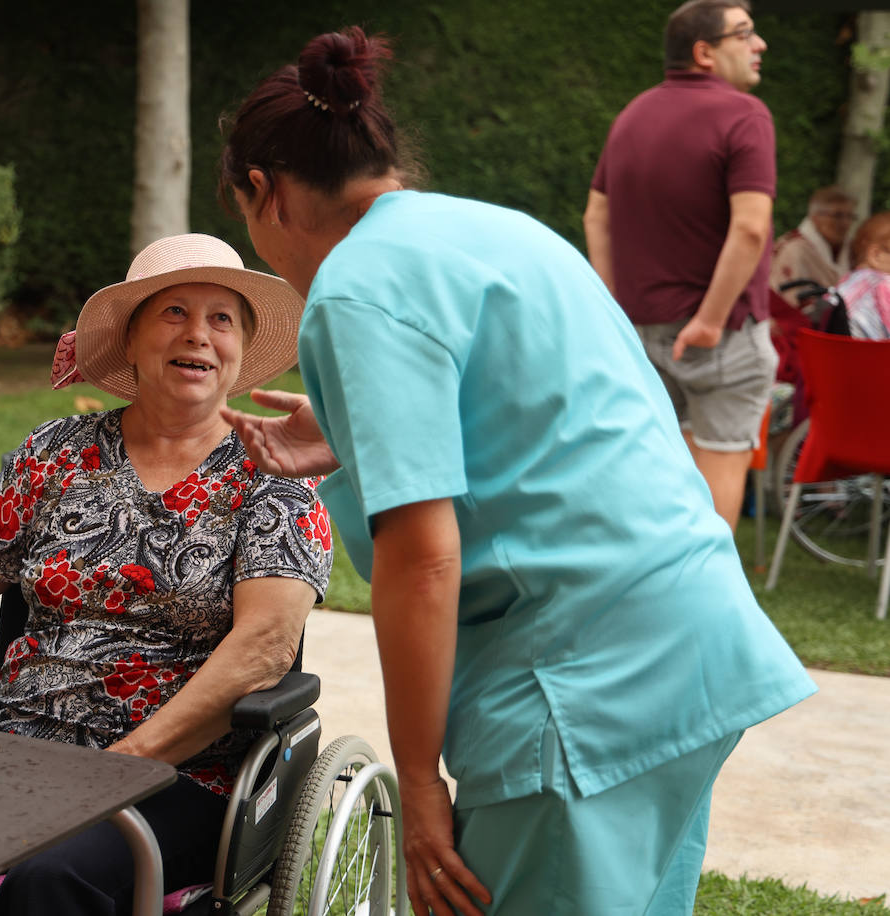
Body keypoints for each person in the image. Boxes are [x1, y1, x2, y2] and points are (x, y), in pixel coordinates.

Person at [218, 27, 815, 916]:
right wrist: (356, 441)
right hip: (695, 652)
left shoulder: (354, 285)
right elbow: (552, 424)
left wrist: (416, 785)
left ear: (263, 192)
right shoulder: (501, 231)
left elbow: (424, 561)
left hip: (583, 691)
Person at [0, 234, 333, 915]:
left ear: (242, 350)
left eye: (221, 319)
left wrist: (123, 763)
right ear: (129, 342)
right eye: (173, 313)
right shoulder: (53, 454)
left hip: (180, 777)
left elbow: (265, 648)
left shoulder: (273, 476)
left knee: (52, 880)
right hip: (19, 753)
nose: (198, 336)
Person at [583, 0, 777, 532]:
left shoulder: (634, 113)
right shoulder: (746, 115)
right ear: (704, 52)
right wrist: (712, 318)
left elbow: (596, 212)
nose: (759, 44)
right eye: (745, 34)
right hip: (721, 338)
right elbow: (751, 227)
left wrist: (613, 304)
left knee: (658, 483)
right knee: (715, 483)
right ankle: (706, 612)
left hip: (644, 336)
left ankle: (653, 606)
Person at [771, 186, 857, 307]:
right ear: (815, 217)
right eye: (838, 215)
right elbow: (783, 300)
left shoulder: (853, 249)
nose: (845, 223)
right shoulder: (793, 248)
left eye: (850, 217)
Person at [832, 212, 890, 340]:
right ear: (876, 255)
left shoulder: (846, 283)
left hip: (838, 356)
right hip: (874, 357)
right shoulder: (885, 284)